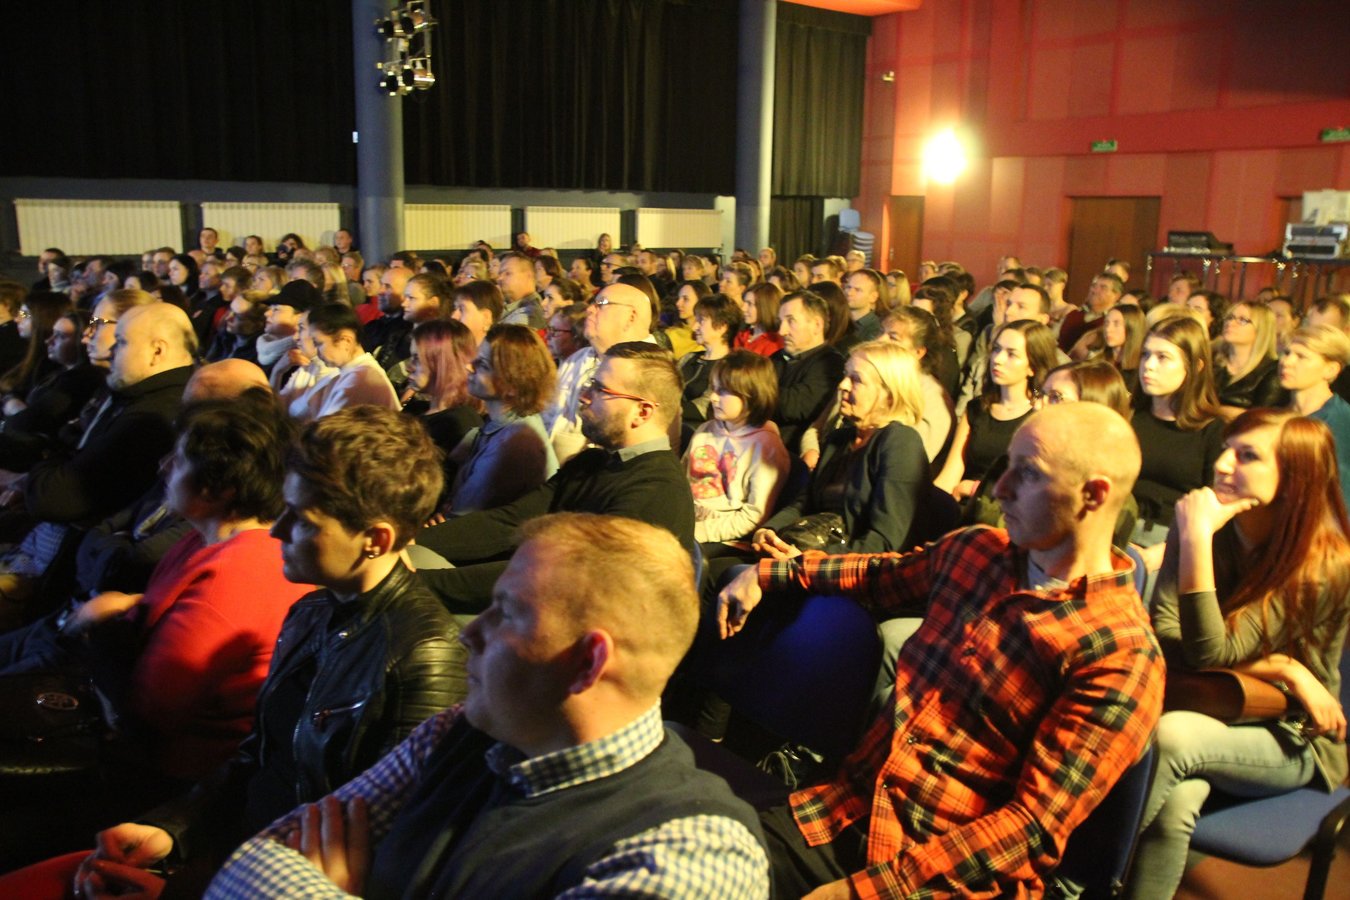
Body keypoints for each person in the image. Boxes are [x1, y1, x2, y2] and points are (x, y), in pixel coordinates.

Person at [718, 403, 1162, 897]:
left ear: (1093, 495)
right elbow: (877, 574)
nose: (999, 489)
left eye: (1028, 474)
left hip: (944, 880)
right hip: (846, 814)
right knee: (688, 864)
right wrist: (770, 572)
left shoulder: (1120, 654)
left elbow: (1031, 828)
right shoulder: (978, 551)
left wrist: (862, 892)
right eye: (1007, 466)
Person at [201, 513, 768, 898]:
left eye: (507, 613)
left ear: (588, 662)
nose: (469, 634)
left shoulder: (687, 854)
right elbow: (261, 858)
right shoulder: (458, 732)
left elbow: (272, 876)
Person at [34, 407, 469, 900]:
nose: (277, 530)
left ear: (376, 539)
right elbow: (257, 757)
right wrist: (172, 829)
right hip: (242, 856)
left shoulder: (425, 655)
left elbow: (373, 856)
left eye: (302, 520)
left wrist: (183, 892)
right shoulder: (313, 609)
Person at [1127, 409, 1350, 899]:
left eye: (1247, 456)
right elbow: (1167, 636)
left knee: (1170, 736)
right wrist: (1283, 666)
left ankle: (1079, 876)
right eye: (1227, 449)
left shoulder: (1324, 563)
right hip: (1212, 700)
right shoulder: (1209, 524)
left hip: (1292, 733)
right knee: (1177, 798)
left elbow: (1208, 650)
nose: (1223, 464)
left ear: (1295, 479)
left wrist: (1195, 540)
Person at [415, 344, 694, 613]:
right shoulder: (593, 462)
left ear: (642, 412)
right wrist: (410, 541)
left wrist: (419, 583)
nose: (584, 396)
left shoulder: (658, 491)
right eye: (589, 384)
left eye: (600, 389)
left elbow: (562, 577)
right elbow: (510, 522)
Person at [753, 341, 936, 556]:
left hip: (850, 568)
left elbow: (885, 541)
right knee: (726, 567)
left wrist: (810, 561)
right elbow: (803, 502)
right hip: (806, 553)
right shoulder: (838, 439)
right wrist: (769, 530)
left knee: (733, 572)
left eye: (856, 379)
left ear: (889, 394)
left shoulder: (901, 442)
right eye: (845, 375)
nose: (842, 385)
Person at [935, 320, 1058, 500]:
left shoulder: (1040, 417)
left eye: (1011, 354)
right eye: (997, 349)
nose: (997, 359)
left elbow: (1033, 488)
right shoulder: (978, 408)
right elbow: (950, 475)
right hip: (964, 505)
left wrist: (973, 488)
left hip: (1006, 508)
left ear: (1032, 367)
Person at [1131, 316, 1225, 546]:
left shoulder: (1212, 430)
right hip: (1120, 524)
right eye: (1145, 354)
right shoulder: (1130, 415)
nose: (1148, 365)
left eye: (1162, 357)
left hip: (1177, 536)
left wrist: (1168, 549)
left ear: (1195, 367)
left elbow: (1216, 505)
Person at [449, 324, 558, 514]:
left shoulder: (514, 445)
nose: (469, 367)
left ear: (513, 384)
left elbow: (463, 514)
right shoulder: (505, 426)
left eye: (483, 365)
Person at [684, 351, 789, 543]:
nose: (713, 398)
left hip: (724, 536)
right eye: (713, 388)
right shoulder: (705, 430)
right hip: (686, 520)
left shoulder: (765, 447)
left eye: (723, 391)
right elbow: (681, 481)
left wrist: (695, 533)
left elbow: (753, 516)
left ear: (751, 395)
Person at [402, 318, 482, 490]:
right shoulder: (419, 407)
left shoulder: (459, 422)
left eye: (417, 359)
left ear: (441, 362)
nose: (409, 367)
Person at [1281, 323, 1350, 510]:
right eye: (1286, 353)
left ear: (1331, 369)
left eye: (1301, 356)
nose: (1287, 362)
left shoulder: (1340, 421)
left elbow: (1339, 493)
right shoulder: (1276, 415)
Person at [293, 304, 399, 421]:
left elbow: (326, 428)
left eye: (319, 343)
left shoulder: (360, 378)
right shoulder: (353, 373)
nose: (317, 352)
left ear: (346, 340)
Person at [773, 290, 847, 455]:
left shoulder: (830, 363)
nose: (782, 331)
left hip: (794, 454)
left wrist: (753, 392)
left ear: (817, 325)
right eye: (781, 321)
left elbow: (796, 406)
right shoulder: (776, 358)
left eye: (791, 321)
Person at [880, 306, 955, 462]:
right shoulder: (870, 376)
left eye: (893, 338)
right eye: (881, 332)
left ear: (918, 352)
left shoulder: (931, 398)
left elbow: (912, 460)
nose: (880, 340)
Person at [678, 291, 740, 429]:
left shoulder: (730, 367)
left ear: (722, 327)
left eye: (701, 321)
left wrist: (667, 409)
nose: (694, 327)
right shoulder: (688, 358)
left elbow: (705, 406)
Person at [1214, 300, 1284, 417]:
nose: (1230, 323)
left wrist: (1211, 410)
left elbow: (1260, 418)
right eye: (1230, 317)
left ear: (1261, 329)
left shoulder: (1272, 371)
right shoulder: (1213, 362)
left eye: (1242, 320)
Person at [734, 281, 785, 358]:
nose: (743, 309)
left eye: (749, 304)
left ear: (764, 307)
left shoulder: (774, 343)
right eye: (744, 303)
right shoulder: (742, 335)